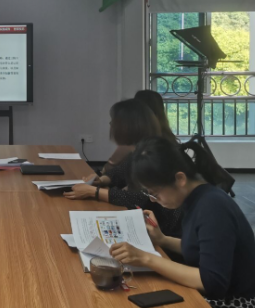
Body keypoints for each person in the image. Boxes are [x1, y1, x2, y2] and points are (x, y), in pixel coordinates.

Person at [110, 137, 255, 308]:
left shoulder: (213, 207)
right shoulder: (198, 199)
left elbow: (211, 281)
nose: (153, 200)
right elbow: (201, 248)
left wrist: (146, 258)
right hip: (216, 306)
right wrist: (162, 240)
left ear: (180, 179)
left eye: (155, 193)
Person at [64, 99, 183, 238]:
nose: (111, 125)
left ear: (127, 126)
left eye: (113, 121)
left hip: (163, 231)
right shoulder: (141, 148)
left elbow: (140, 197)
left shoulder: (155, 153)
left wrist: (93, 192)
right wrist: (101, 180)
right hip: (147, 222)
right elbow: (121, 171)